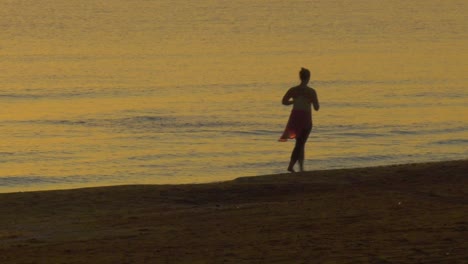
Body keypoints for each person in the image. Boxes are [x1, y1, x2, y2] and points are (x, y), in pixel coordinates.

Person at [279, 68, 320, 172]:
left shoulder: (293, 90)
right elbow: (316, 108)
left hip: (295, 117)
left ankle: (301, 168)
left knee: (300, 143)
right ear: (308, 77)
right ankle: (291, 166)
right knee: (300, 143)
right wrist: (311, 101)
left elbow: (284, 101)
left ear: (300, 77)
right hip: (305, 118)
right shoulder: (311, 91)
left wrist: (294, 102)